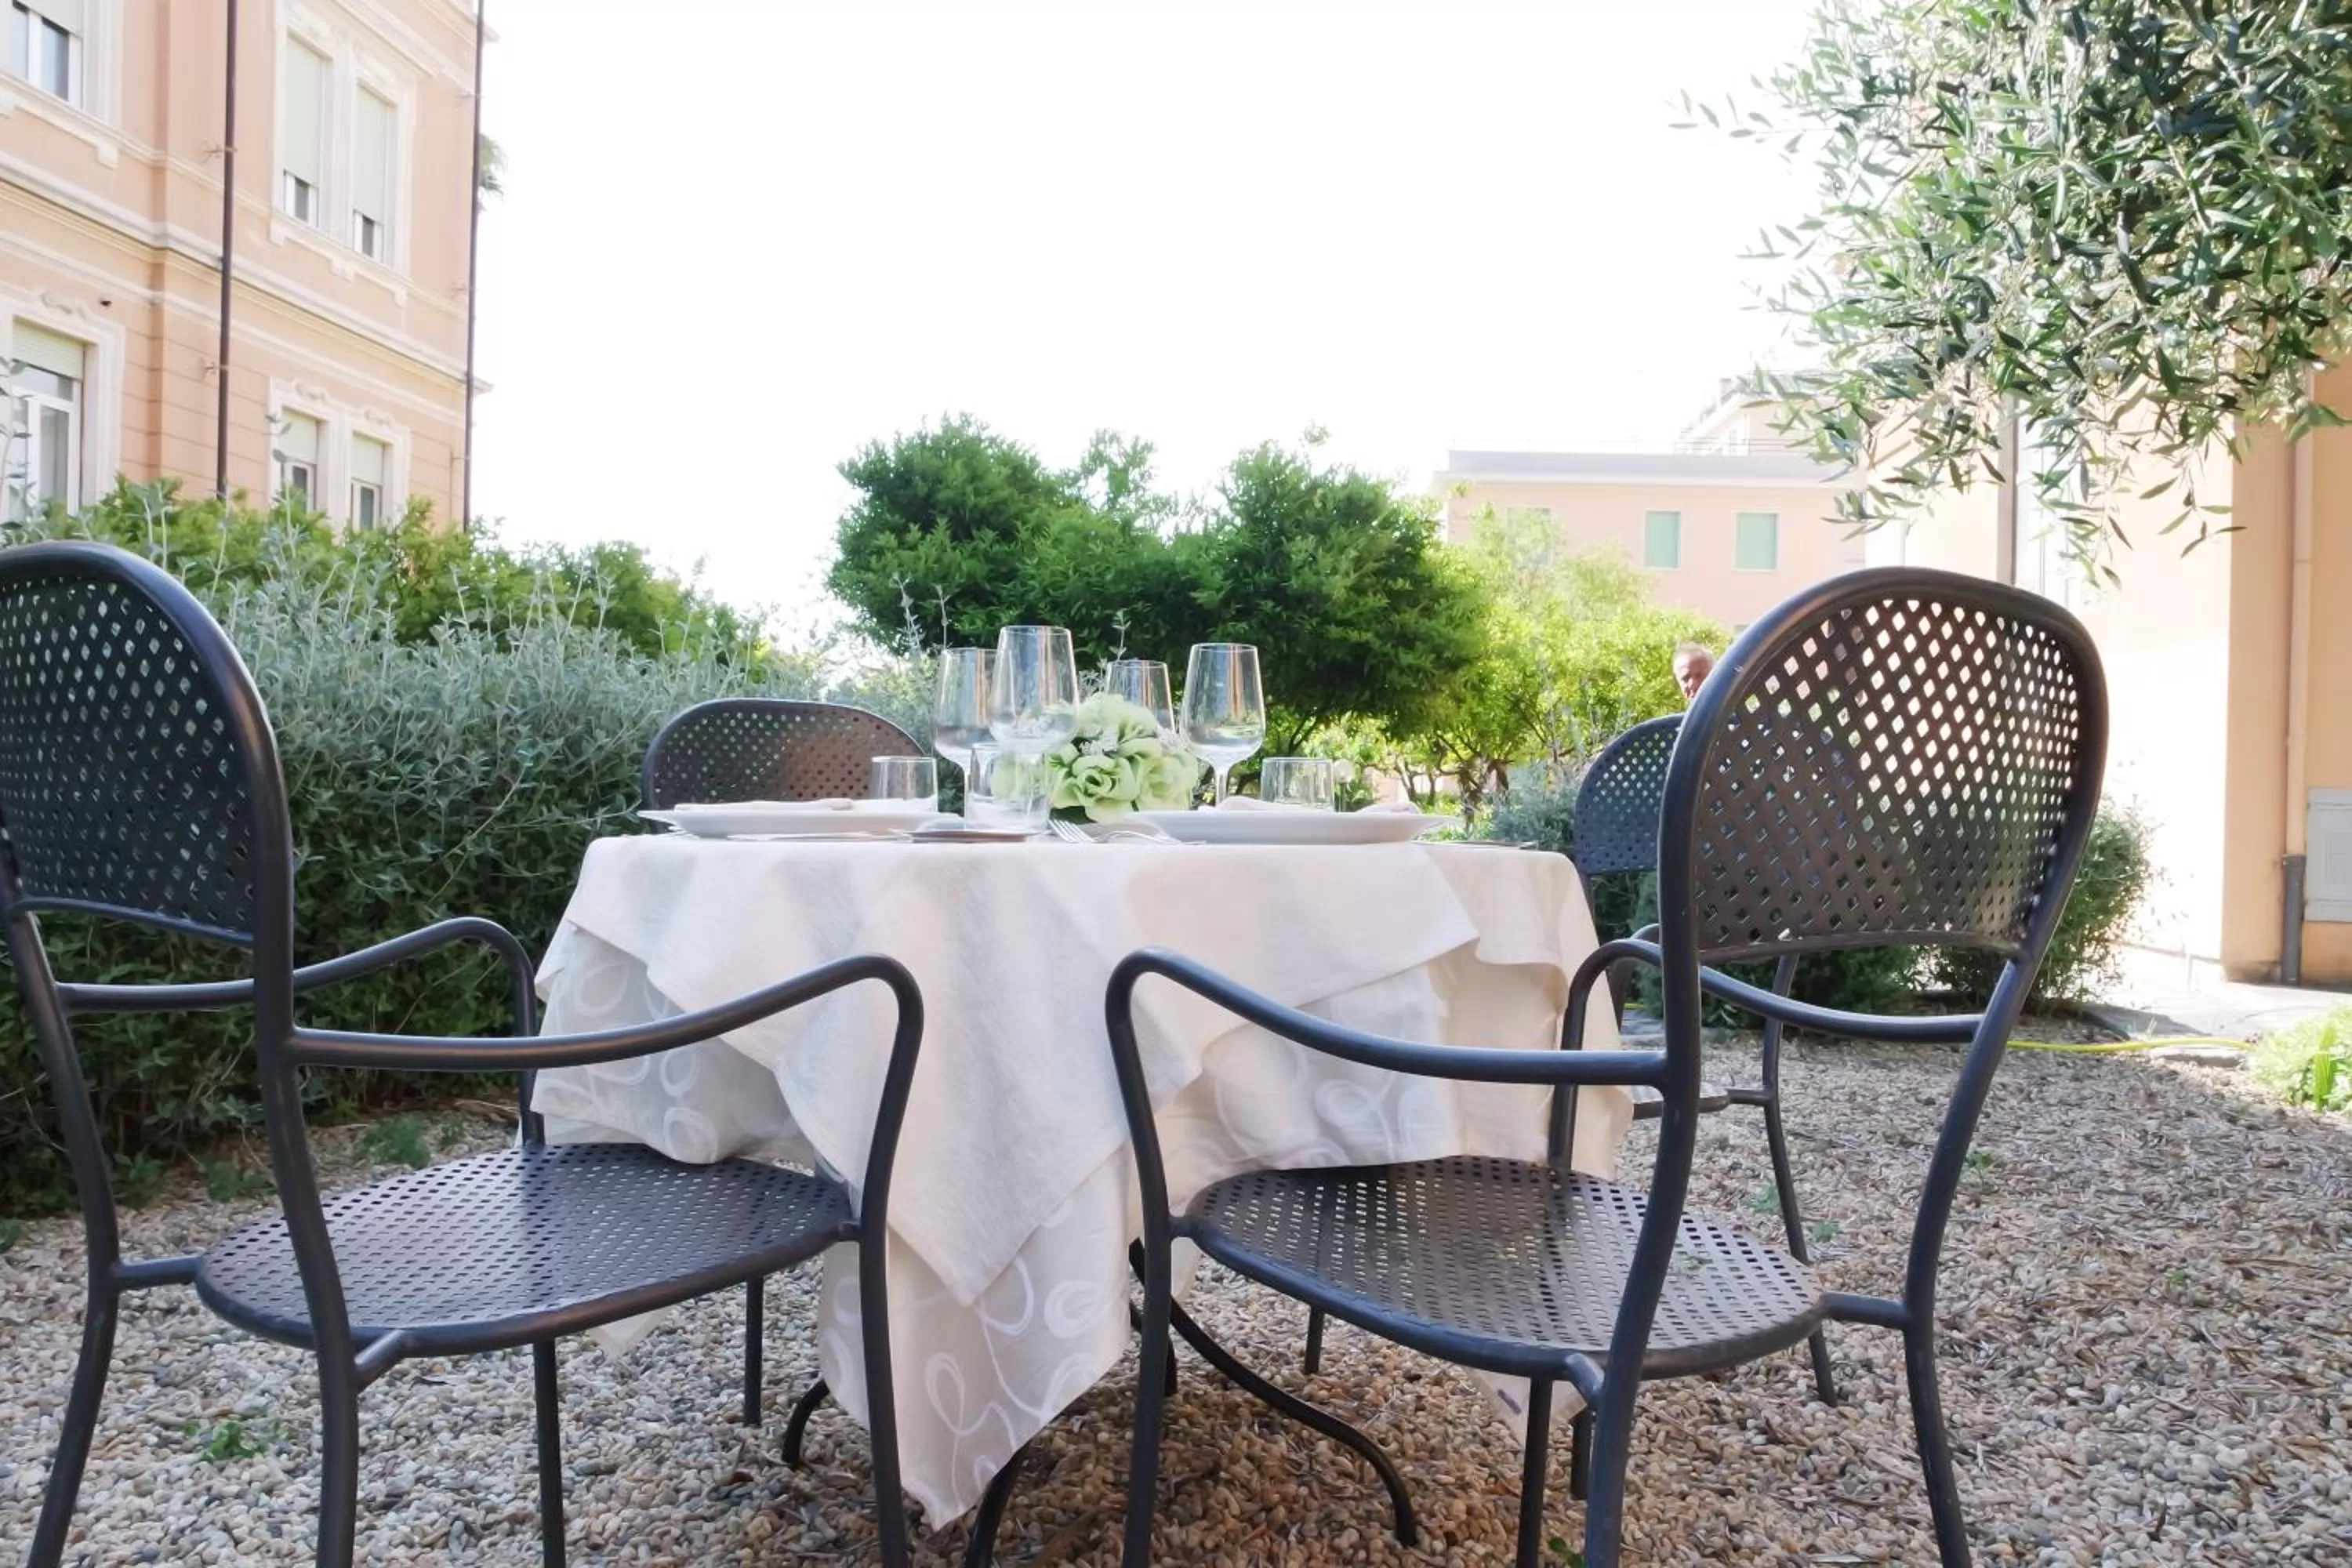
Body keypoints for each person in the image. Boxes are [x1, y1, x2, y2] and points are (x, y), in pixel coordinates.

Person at [1671, 641, 1715, 705]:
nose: (1693, 684)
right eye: (1685, 678)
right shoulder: (1689, 715)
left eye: (1699, 676)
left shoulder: (1731, 710)